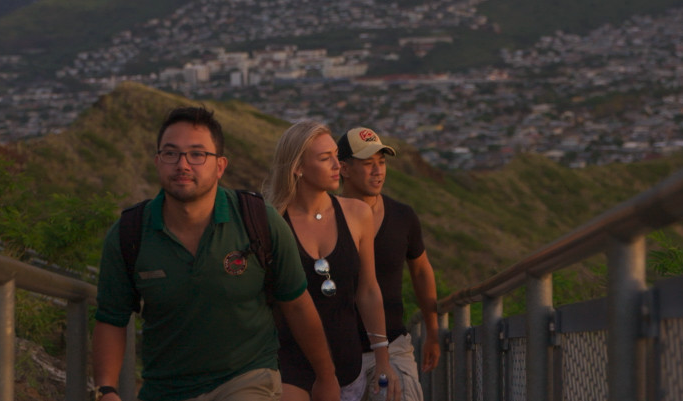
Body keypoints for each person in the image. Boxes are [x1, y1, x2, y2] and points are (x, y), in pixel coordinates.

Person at [92, 107, 341, 401]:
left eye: (197, 154)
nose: (183, 164)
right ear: (158, 161)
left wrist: (326, 378)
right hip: (165, 389)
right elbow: (111, 318)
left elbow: (298, 305)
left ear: (220, 166)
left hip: (247, 380)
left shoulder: (258, 220)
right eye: (171, 153)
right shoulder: (130, 234)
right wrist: (106, 390)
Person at [264, 121, 400, 401]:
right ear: (298, 168)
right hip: (289, 364)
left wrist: (383, 358)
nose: (337, 165)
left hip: (348, 365)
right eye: (325, 158)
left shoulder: (357, 214)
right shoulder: (272, 222)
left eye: (336, 155)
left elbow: (369, 291)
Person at [335, 127, 440, 401]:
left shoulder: (403, 216)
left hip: (393, 346)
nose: (378, 171)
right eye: (368, 164)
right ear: (343, 169)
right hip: (338, 354)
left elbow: (421, 270)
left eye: (381, 163)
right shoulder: (324, 220)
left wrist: (433, 331)